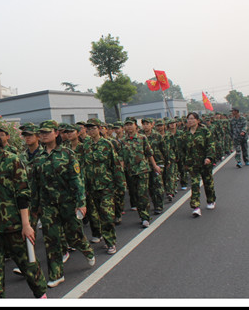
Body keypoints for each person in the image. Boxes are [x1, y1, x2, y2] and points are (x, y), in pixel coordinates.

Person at [0, 123, 47, 298]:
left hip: (13, 226)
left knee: (28, 266)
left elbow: (22, 194)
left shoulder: (11, 160)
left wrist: (26, 224)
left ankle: (41, 293)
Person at [33, 120, 96, 289]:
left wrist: (81, 202)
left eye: (47, 132)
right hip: (48, 205)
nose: (44, 135)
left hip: (67, 203)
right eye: (42, 133)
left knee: (74, 235)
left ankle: (86, 249)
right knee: (51, 239)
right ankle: (56, 274)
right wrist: (34, 206)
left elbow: (77, 179)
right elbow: (35, 184)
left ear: (56, 133)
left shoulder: (67, 154)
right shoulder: (38, 157)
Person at [82, 118, 125, 255]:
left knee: (107, 215)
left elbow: (115, 164)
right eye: (88, 129)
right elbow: (83, 165)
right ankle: (104, 237)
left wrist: (120, 184)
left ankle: (111, 242)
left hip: (106, 185)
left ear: (99, 128)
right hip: (92, 187)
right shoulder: (86, 145)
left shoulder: (106, 144)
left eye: (93, 128)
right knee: (99, 215)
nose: (90, 131)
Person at [120, 118, 162, 228]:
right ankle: (141, 215)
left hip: (143, 170)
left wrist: (155, 166)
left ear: (135, 126)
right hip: (130, 172)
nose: (129, 127)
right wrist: (121, 174)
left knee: (143, 194)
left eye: (131, 124)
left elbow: (149, 153)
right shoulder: (123, 141)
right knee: (136, 195)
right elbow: (122, 158)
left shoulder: (142, 138)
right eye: (127, 125)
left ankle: (145, 217)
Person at [182, 112, 216, 217]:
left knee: (208, 182)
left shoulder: (204, 131)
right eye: (188, 119)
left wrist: (209, 157)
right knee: (195, 184)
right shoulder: (185, 134)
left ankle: (211, 200)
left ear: (197, 120)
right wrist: (185, 162)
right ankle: (196, 206)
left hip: (205, 162)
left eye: (192, 119)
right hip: (192, 164)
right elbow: (183, 150)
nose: (190, 121)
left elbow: (211, 144)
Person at [141, 118, 166, 214]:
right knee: (150, 186)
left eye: (148, 124)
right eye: (144, 124)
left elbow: (164, 149)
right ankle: (155, 203)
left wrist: (167, 162)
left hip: (158, 163)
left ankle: (159, 205)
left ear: (152, 125)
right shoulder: (140, 136)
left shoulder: (157, 136)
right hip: (145, 165)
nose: (146, 126)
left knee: (158, 185)